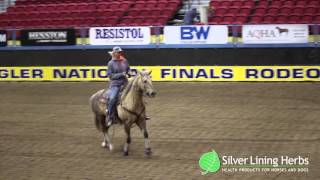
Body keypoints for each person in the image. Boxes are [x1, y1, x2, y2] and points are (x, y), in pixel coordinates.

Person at [106, 46, 130, 127]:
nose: (120, 53)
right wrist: (121, 74)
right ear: (114, 53)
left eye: (120, 52)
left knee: (137, 91)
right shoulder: (110, 63)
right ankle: (110, 117)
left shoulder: (125, 61)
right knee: (112, 98)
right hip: (115, 84)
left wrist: (129, 72)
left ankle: (141, 113)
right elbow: (110, 76)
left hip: (125, 82)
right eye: (118, 52)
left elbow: (128, 69)